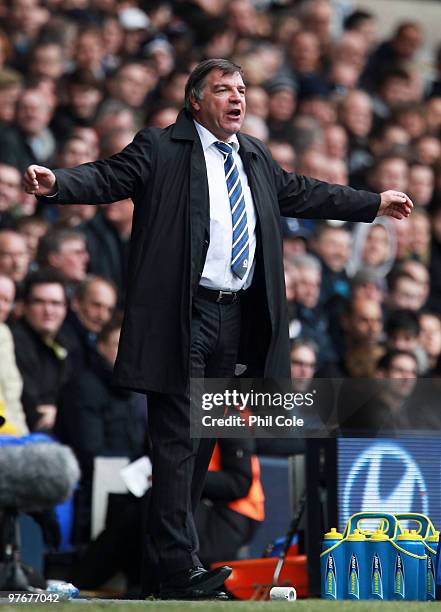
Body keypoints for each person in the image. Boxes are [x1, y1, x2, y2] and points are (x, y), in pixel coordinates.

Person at [23, 58, 413, 600]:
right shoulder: (160, 147)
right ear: (195, 101)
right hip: (184, 315)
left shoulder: (252, 153)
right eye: (224, 89)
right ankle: (178, 566)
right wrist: (57, 184)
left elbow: (303, 191)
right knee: (178, 439)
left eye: (242, 89)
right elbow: (108, 176)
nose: (238, 98)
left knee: (201, 442)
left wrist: (371, 203)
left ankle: (171, 568)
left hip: (238, 317)